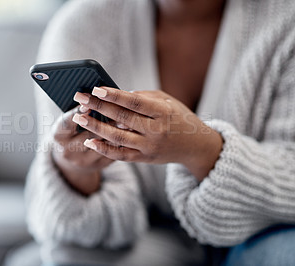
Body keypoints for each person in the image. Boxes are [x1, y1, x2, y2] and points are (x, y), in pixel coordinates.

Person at [26, 0, 295, 264]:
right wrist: (76, 172)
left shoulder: (285, 19)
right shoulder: (81, 26)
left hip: (263, 232)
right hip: (144, 237)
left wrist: (201, 148)